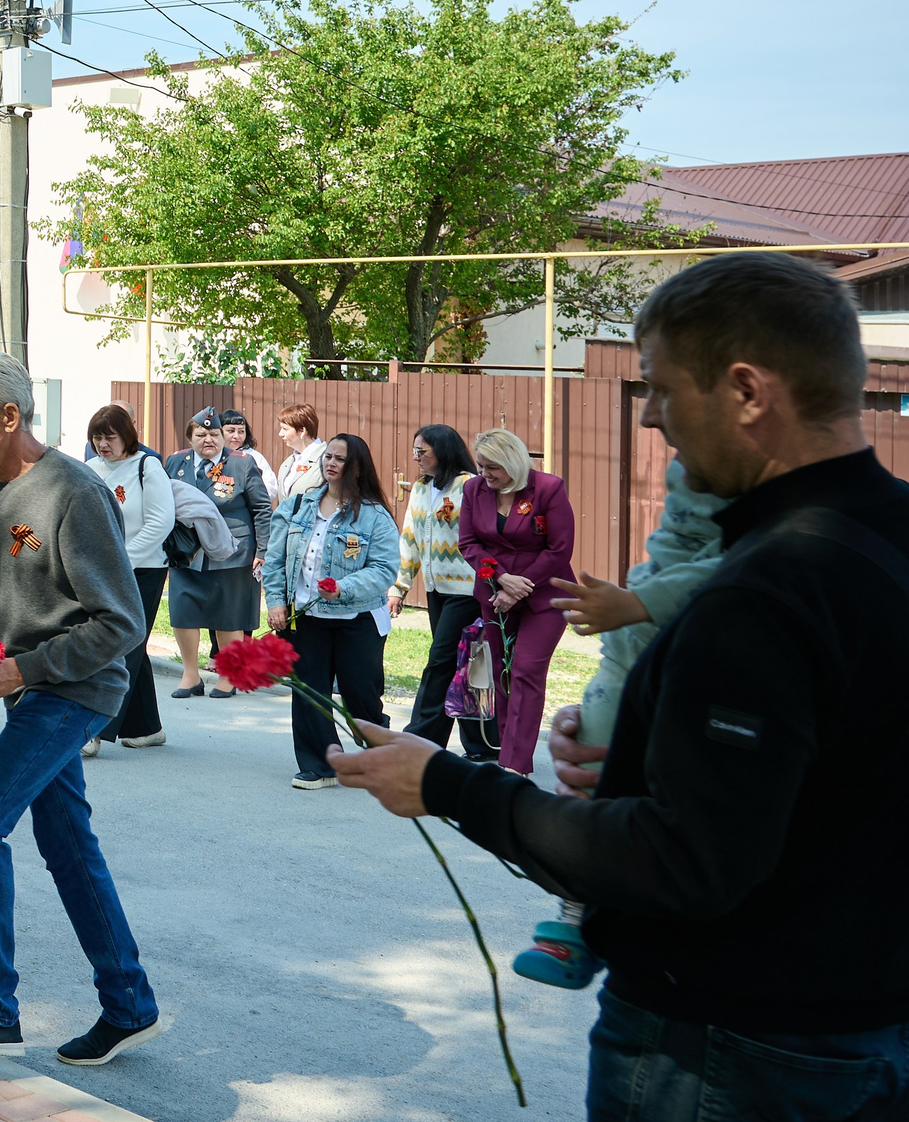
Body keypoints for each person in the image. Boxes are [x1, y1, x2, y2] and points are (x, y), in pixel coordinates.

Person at [332, 252, 909, 1120]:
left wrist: (447, 783)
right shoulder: (880, 541)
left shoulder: (760, 591)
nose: (656, 424)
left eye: (665, 391)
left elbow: (685, 861)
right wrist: (647, 752)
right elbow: (834, 771)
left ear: (748, 391)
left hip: (731, 1047)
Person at [0, 354, 157, 1067]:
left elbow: (123, 624)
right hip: (25, 687)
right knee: (67, 845)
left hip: (74, 690)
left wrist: (18, 669)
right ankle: (129, 1002)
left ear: (10, 418)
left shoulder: (74, 493)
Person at [514, 456, 730, 991]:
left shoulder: (800, 511)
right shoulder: (699, 464)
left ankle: (577, 924)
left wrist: (638, 602)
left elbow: (744, 564)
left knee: (604, 798)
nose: (655, 414)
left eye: (667, 392)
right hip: (630, 645)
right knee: (587, 774)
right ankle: (574, 917)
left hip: (660, 627)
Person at [262, 432, 401, 790]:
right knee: (310, 690)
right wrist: (276, 602)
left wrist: (344, 587)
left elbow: (384, 569)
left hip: (358, 619)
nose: (330, 463)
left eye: (339, 458)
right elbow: (275, 560)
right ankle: (319, 765)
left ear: (356, 467)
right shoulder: (297, 506)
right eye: (328, 456)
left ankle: (378, 749)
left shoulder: (374, 516)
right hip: (306, 617)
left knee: (361, 695)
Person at [460, 426, 576, 775]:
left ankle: (514, 763)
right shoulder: (472, 490)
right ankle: (509, 753)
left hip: (545, 597)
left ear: (512, 461)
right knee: (502, 675)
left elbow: (560, 548)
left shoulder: (548, 489)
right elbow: (468, 543)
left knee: (526, 671)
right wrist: (500, 578)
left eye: (491, 467)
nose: (485, 474)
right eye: (480, 466)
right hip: (494, 594)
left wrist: (519, 588)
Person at [393, 424, 489, 757]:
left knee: (440, 663)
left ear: (443, 451)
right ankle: (482, 743)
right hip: (436, 590)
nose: (416, 457)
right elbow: (409, 540)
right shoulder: (421, 488)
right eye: (415, 450)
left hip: (466, 590)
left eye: (423, 451)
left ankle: (419, 738)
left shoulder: (469, 486)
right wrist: (399, 587)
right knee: (463, 667)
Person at [163, 409, 270, 698]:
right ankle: (190, 675)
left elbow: (261, 509)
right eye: (200, 434)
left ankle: (228, 675)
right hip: (185, 550)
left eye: (214, 433)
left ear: (224, 436)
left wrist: (263, 549)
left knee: (228, 615)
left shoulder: (241, 464)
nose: (208, 439)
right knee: (183, 612)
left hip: (231, 552)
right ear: (190, 438)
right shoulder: (175, 462)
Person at [84, 405, 171, 752]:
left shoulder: (147, 466)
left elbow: (160, 522)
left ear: (127, 436)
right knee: (133, 645)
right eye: (97, 437)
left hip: (144, 569)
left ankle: (93, 729)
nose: (103, 444)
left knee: (121, 644)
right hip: (100, 570)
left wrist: (123, 559)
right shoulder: (89, 468)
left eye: (110, 437)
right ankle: (145, 726)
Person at [269, 403, 325, 502]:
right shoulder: (287, 464)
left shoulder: (326, 459)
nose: (280, 434)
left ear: (302, 431)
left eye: (285, 429)